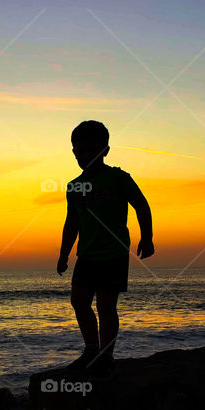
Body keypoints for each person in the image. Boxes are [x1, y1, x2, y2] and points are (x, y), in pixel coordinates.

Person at [56, 120, 154, 376]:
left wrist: (147, 238)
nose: (86, 156)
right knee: (78, 301)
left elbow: (141, 205)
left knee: (106, 306)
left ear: (105, 150)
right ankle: (91, 350)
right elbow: (72, 222)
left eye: (92, 150)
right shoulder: (74, 186)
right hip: (87, 255)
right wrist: (64, 253)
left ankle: (106, 355)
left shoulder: (118, 178)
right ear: (74, 152)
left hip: (114, 253)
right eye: (81, 151)